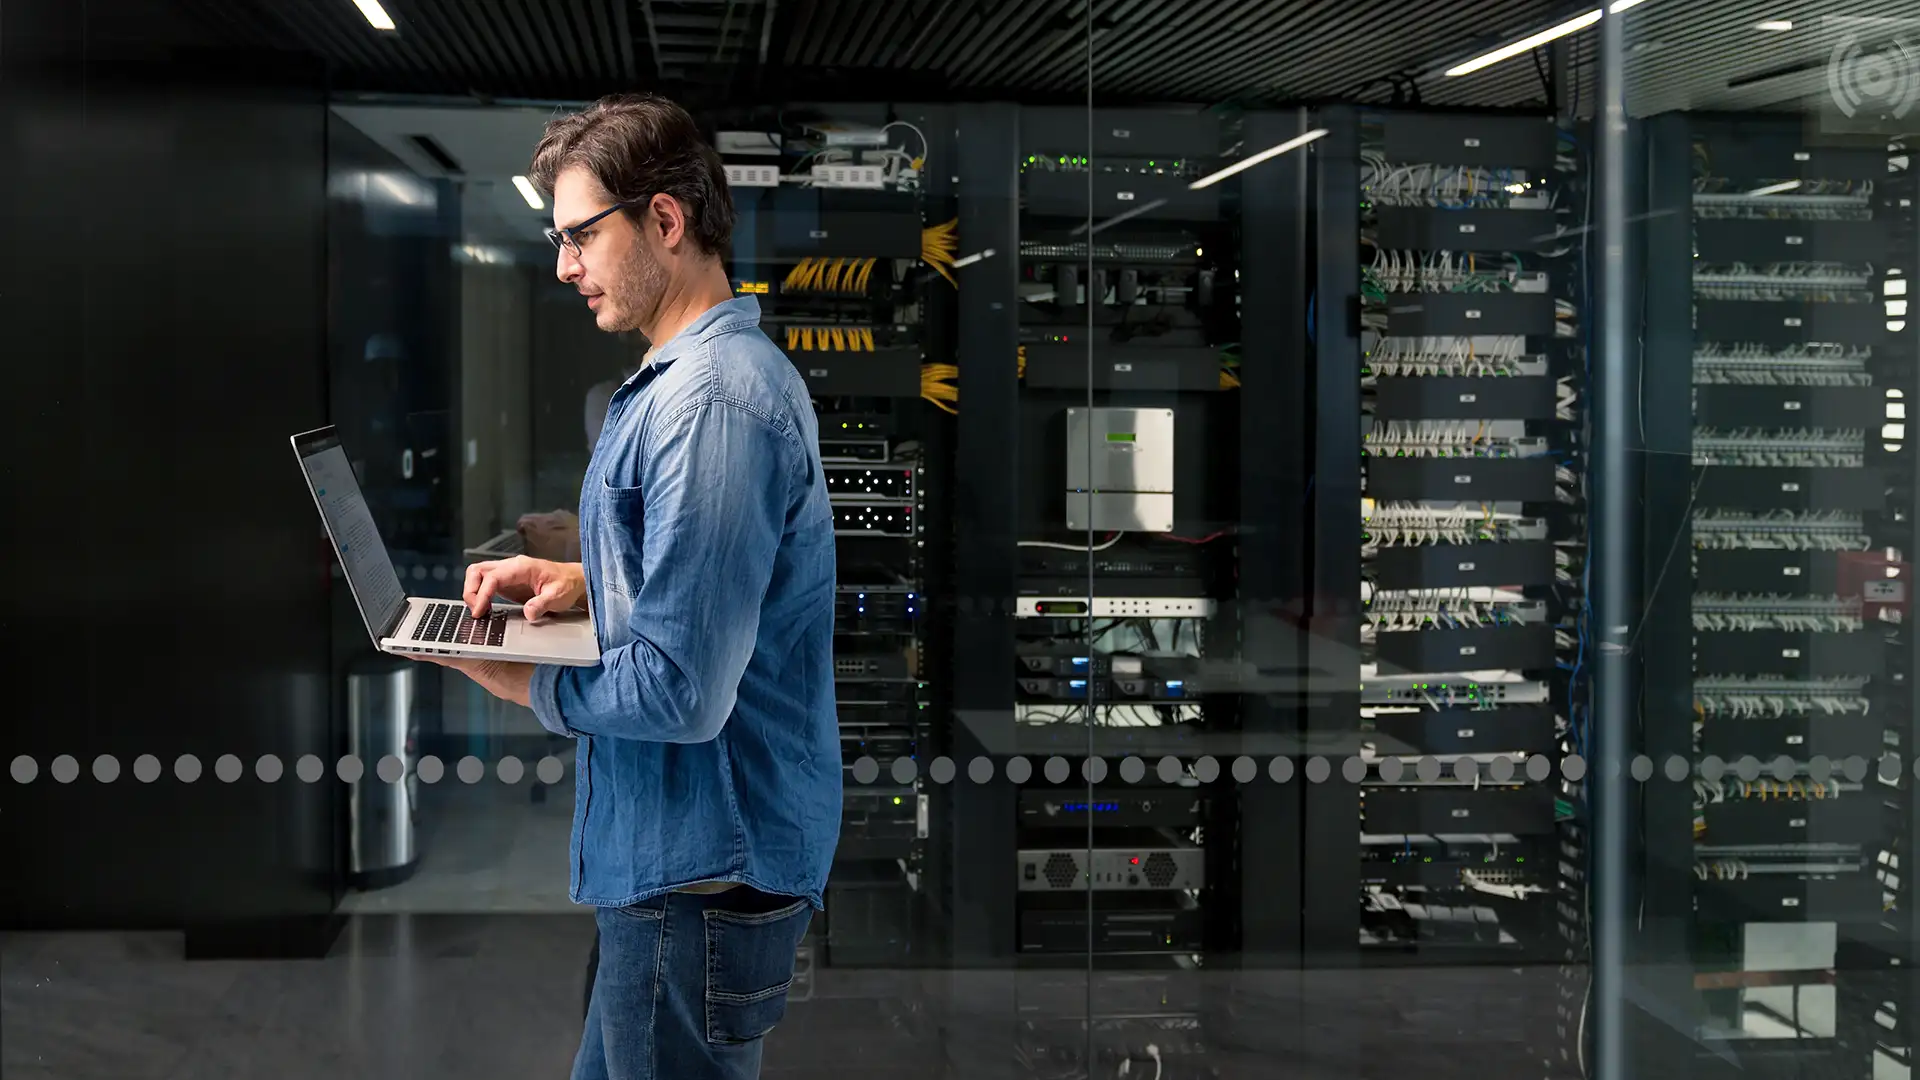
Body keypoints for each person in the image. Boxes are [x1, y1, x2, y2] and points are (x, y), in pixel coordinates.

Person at [421, 94, 841, 1080]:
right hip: (674, 862)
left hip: (699, 871)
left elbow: (683, 694)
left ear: (664, 219)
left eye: (580, 236)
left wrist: (511, 673)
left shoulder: (713, 405)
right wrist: (579, 577)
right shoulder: (687, 379)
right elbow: (704, 587)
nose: (565, 266)